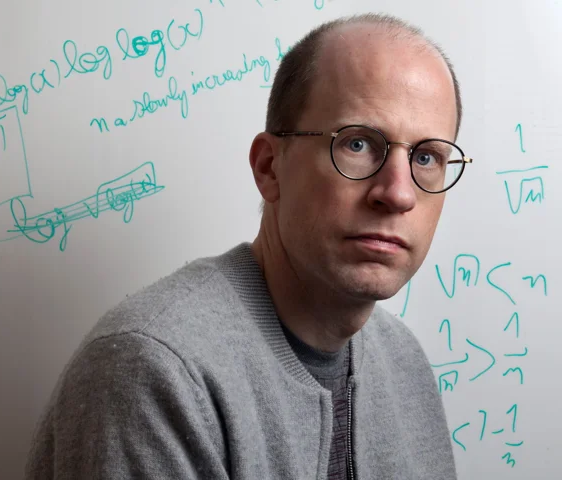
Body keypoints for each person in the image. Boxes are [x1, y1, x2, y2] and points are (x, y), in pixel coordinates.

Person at [25, 12, 471, 480]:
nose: (398, 193)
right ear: (269, 168)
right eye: (357, 144)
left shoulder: (404, 361)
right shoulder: (154, 369)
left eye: (427, 157)